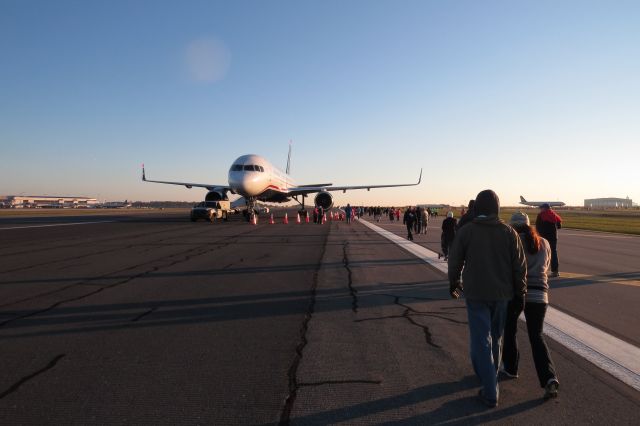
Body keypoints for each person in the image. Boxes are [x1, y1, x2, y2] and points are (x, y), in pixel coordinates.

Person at [448, 190, 527, 408]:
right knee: (495, 338)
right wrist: (521, 293)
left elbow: (454, 261)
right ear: (497, 209)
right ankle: (488, 374)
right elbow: (520, 267)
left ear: (477, 209)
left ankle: (490, 389)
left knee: (480, 340)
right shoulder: (509, 233)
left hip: (476, 294)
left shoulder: (467, 232)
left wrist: (453, 283)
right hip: (502, 295)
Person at [503, 212, 560, 400]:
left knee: (510, 329)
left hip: (518, 293)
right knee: (537, 336)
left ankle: (511, 368)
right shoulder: (544, 242)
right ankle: (549, 378)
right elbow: (548, 265)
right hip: (541, 294)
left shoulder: (514, 240)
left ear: (513, 226)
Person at [535, 204, 562, 277]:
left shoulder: (541, 215)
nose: (540, 210)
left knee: (541, 253)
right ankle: (555, 271)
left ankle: (541, 270)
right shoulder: (554, 215)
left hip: (543, 237)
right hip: (553, 237)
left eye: (541, 208)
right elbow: (559, 226)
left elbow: (537, 226)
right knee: (553, 252)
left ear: (544, 208)